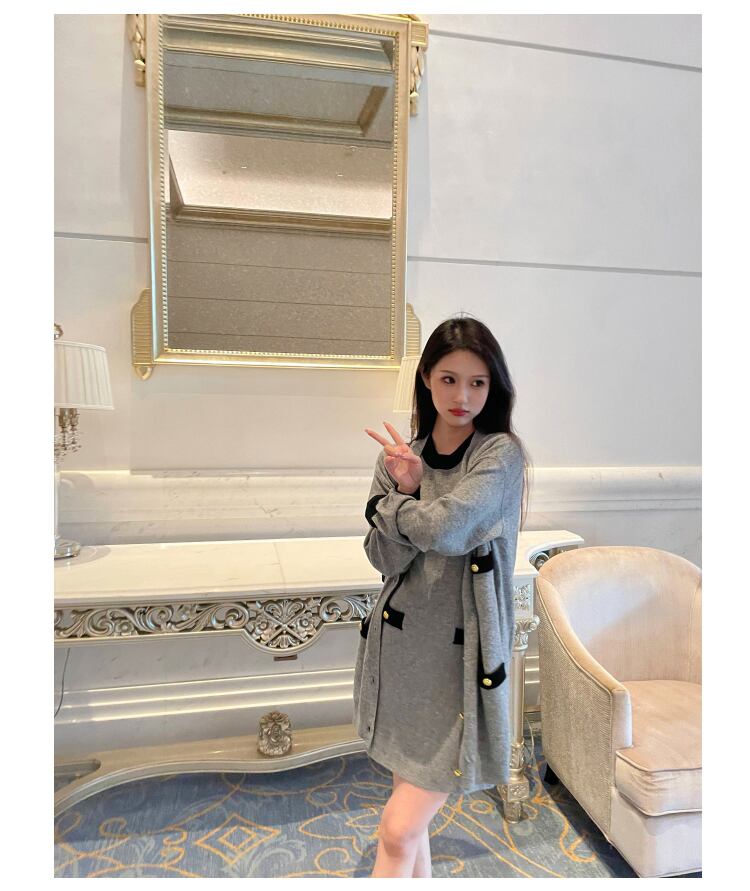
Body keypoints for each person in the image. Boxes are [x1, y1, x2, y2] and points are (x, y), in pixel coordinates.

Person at [354, 314, 531, 878]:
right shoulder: (400, 455)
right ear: (427, 378)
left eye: (478, 382)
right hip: (401, 653)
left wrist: (395, 503)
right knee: (410, 825)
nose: (463, 396)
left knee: (397, 829)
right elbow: (383, 558)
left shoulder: (499, 456)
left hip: (459, 661)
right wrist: (406, 491)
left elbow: (450, 529)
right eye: (449, 379)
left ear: (493, 387)